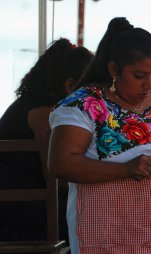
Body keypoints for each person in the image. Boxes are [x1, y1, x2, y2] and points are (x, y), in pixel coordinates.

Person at [48, 17, 151, 254]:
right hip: (107, 235)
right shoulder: (84, 105)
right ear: (114, 69)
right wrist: (126, 169)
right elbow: (61, 163)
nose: (149, 85)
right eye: (139, 75)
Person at [0, 38, 94, 241]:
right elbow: (57, 179)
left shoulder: (29, 104)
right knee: (99, 218)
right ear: (70, 85)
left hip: (24, 204)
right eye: (91, 89)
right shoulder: (46, 113)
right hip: (22, 211)